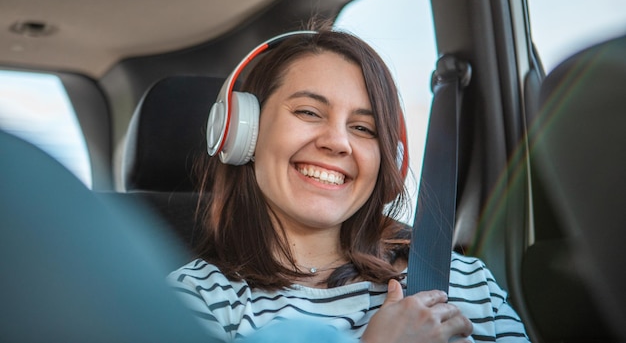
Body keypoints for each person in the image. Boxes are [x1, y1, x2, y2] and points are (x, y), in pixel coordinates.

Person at [168, 26, 531, 343]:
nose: (338, 142)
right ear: (242, 131)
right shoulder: (193, 302)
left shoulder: (466, 282)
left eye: (363, 129)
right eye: (309, 112)